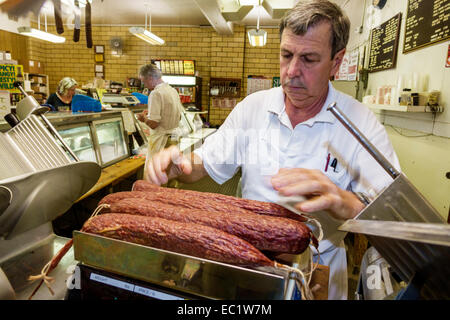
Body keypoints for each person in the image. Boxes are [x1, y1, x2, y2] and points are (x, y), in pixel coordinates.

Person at [144, 0, 400, 300]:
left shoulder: (360, 124)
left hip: (319, 270)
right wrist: (180, 164)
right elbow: (206, 163)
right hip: (248, 262)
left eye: (309, 59)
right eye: (286, 54)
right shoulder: (254, 108)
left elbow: (394, 222)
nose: (292, 71)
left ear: (337, 61)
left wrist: (346, 202)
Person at [136, 64, 183, 177]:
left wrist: (143, 119)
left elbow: (153, 124)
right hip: (173, 140)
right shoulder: (172, 91)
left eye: (144, 81)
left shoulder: (155, 93)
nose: (144, 84)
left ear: (150, 78)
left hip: (160, 142)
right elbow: (179, 116)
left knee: (155, 176)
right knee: (168, 174)